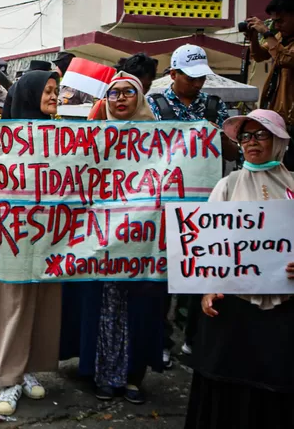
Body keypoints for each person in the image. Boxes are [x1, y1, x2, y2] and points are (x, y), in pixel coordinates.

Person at [185, 109, 294, 429]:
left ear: (278, 142)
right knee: (226, 387)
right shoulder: (227, 186)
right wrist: (207, 289)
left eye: (261, 135)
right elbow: (207, 245)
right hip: (232, 310)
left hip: (282, 311)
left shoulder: (292, 187)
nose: (251, 142)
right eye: (245, 136)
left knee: (275, 384)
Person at [60, 72, 164, 404]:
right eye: (113, 93)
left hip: (142, 240)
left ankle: (133, 377)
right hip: (99, 240)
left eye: (127, 93)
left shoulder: (162, 139)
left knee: (140, 308)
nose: (120, 99)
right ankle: (100, 372)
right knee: (100, 306)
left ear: (140, 97)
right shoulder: (91, 138)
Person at [0, 71, 62, 416]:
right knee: (14, 306)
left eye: (57, 90)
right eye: (48, 91)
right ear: (30, 94)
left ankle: (27, 369)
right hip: (13, 237)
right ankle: (8, 379)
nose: (55, 96)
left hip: (50, 236)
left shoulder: (63, 133)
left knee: (42, 304)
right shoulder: (1, 137)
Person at [145, 44, 237, 367]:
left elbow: (230, 154)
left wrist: (220, 137)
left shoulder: (214, 106)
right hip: (164, 204)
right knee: (165, 276)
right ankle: (163, 340)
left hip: (205, 206)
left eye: (201, 78)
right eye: (191, 78)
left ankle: (195, 339)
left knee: (201, 273)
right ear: (173, 74)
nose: (198, 84)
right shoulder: (154, 105)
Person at [246, 0, 294, 170]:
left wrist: (266, 32)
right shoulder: (281, 38)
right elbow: (259, 56)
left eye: (281, 21)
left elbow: (284, 58)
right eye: (274, 21)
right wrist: (252, 37)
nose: (276, 26)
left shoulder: (278, 39)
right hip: (277, 116)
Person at [88, 53, 158, 120]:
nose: (121, 98)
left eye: (146, 87)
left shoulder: (154, 105)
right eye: (128, 91)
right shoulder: (103, 106)